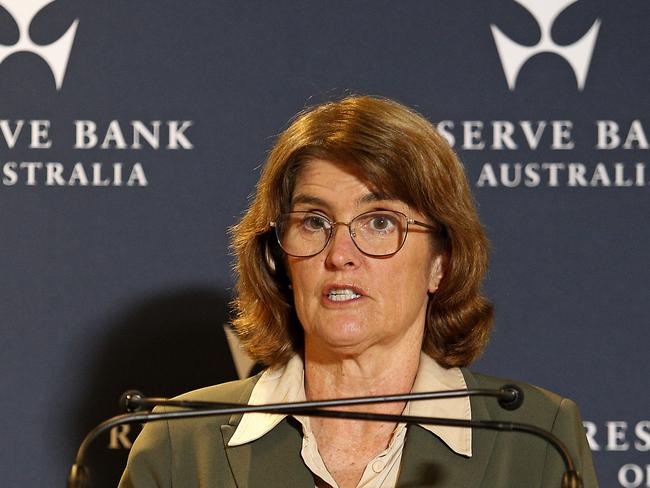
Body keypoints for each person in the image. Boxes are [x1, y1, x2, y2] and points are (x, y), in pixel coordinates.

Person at [119, 95, 598, 488]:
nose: (340, 254)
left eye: (379, 222)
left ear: (440, 263)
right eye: (313, 222)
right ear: (279, 259)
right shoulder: (180, 444)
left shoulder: (536, 437)